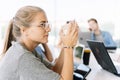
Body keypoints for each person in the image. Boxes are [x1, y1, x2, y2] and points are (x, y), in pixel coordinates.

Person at [0, 6, 79, 80]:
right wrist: (68, 47)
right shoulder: (23, 57)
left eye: (47, 24)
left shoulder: (28, 50)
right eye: (42, 24)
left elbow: (54, 70)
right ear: (24, 30)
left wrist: (65, 45)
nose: (48, 29)